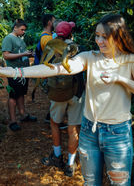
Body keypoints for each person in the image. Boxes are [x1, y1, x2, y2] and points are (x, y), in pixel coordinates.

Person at [0, 14, 134, 185]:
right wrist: (14, 73)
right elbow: (58, 69)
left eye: (104, 37)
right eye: (97, 36)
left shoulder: (132, 61)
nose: (99, 41)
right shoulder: (90, 57)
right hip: (89, 131)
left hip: (117, 134)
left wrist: (122, 79)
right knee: (90, 183)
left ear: (118, 36)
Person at [41, 21, 85, 177]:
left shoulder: (52, 46)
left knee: (55, 123)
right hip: (76, 93)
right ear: (71, 34)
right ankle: (70, 164)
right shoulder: (78, 48)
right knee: (73, 127)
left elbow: (44, 70)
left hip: (58, 92)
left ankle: (57, 156)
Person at [1, 19, 37, 131]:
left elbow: (22, 53)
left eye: (24, 30)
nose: (23, 32)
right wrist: (24, 53)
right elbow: (6, 56)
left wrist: (29, 54)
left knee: (21, 94)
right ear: (15, 27)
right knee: (13, 96)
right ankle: (13, 121)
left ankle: (23, 115)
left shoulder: (20, 39)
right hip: (14, 73)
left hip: (23, 72)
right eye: (22, 29)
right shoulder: (9, 38)